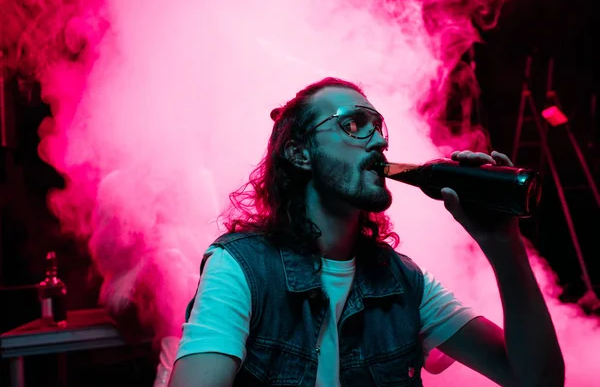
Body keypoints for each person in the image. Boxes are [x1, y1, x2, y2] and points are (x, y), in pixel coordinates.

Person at [168, 77, 564, 386]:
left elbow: (537, 380)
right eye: (354, 124)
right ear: (299, 153)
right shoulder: (242, 268)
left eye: (378, 126)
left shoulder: (403, 284)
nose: (377, 140)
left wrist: (503, 243)